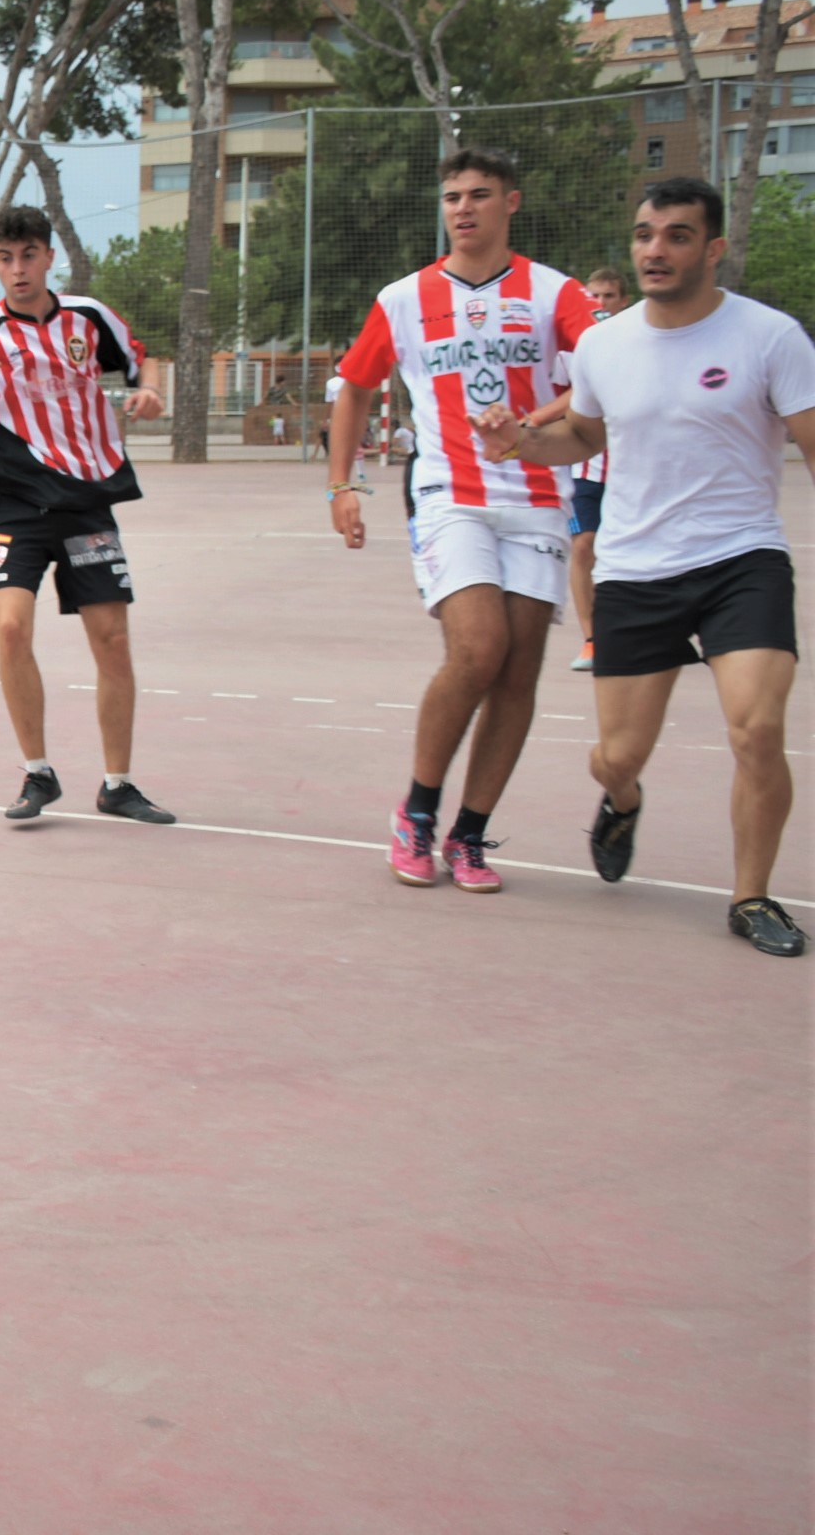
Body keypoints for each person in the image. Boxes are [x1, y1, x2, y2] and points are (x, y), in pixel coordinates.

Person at [472, 179, 815, 957]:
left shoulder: (772, 338)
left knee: (758, 729)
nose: (655, 249)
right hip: (634, 569)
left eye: (678, 236)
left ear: (714, 249)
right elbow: (586, 438)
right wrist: (523, 442)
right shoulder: (604, 344)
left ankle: (753, 897)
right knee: (616, 755)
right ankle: (622, 801)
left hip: (742, 557)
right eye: (644, 235)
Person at [325, 147, 598, 892]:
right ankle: (416, 811)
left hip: (539, 496)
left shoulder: (554, 293)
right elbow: (352, 388)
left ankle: (470, 834)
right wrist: (340, 486)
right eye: (452, 197)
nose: (464, 208)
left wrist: (534, 417)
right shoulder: (404, 299)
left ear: (512, 202)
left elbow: (607, 375)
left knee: (518, 671)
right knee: (478, 647)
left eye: (480, 194)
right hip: (449, 493)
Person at [0, 206, 173, 823]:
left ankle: (118, 784)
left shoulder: (88, 318)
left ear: (50, 257)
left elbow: (140, 359)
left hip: (86, 502)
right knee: (10, 628)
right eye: (5, 258)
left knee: (111, 640)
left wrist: (150, 390)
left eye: (28, 255)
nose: (17, 269)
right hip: (15, 503)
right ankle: (38, 773)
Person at [566, 266, 626, 672]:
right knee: (583, 546)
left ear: (623, 301)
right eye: (594, 297)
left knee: (626, 554)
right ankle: (592, 640)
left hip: (630, 469)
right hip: (585, 469)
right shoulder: (577, 346)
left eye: (608, 296)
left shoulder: (642, 342)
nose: (600, 304)